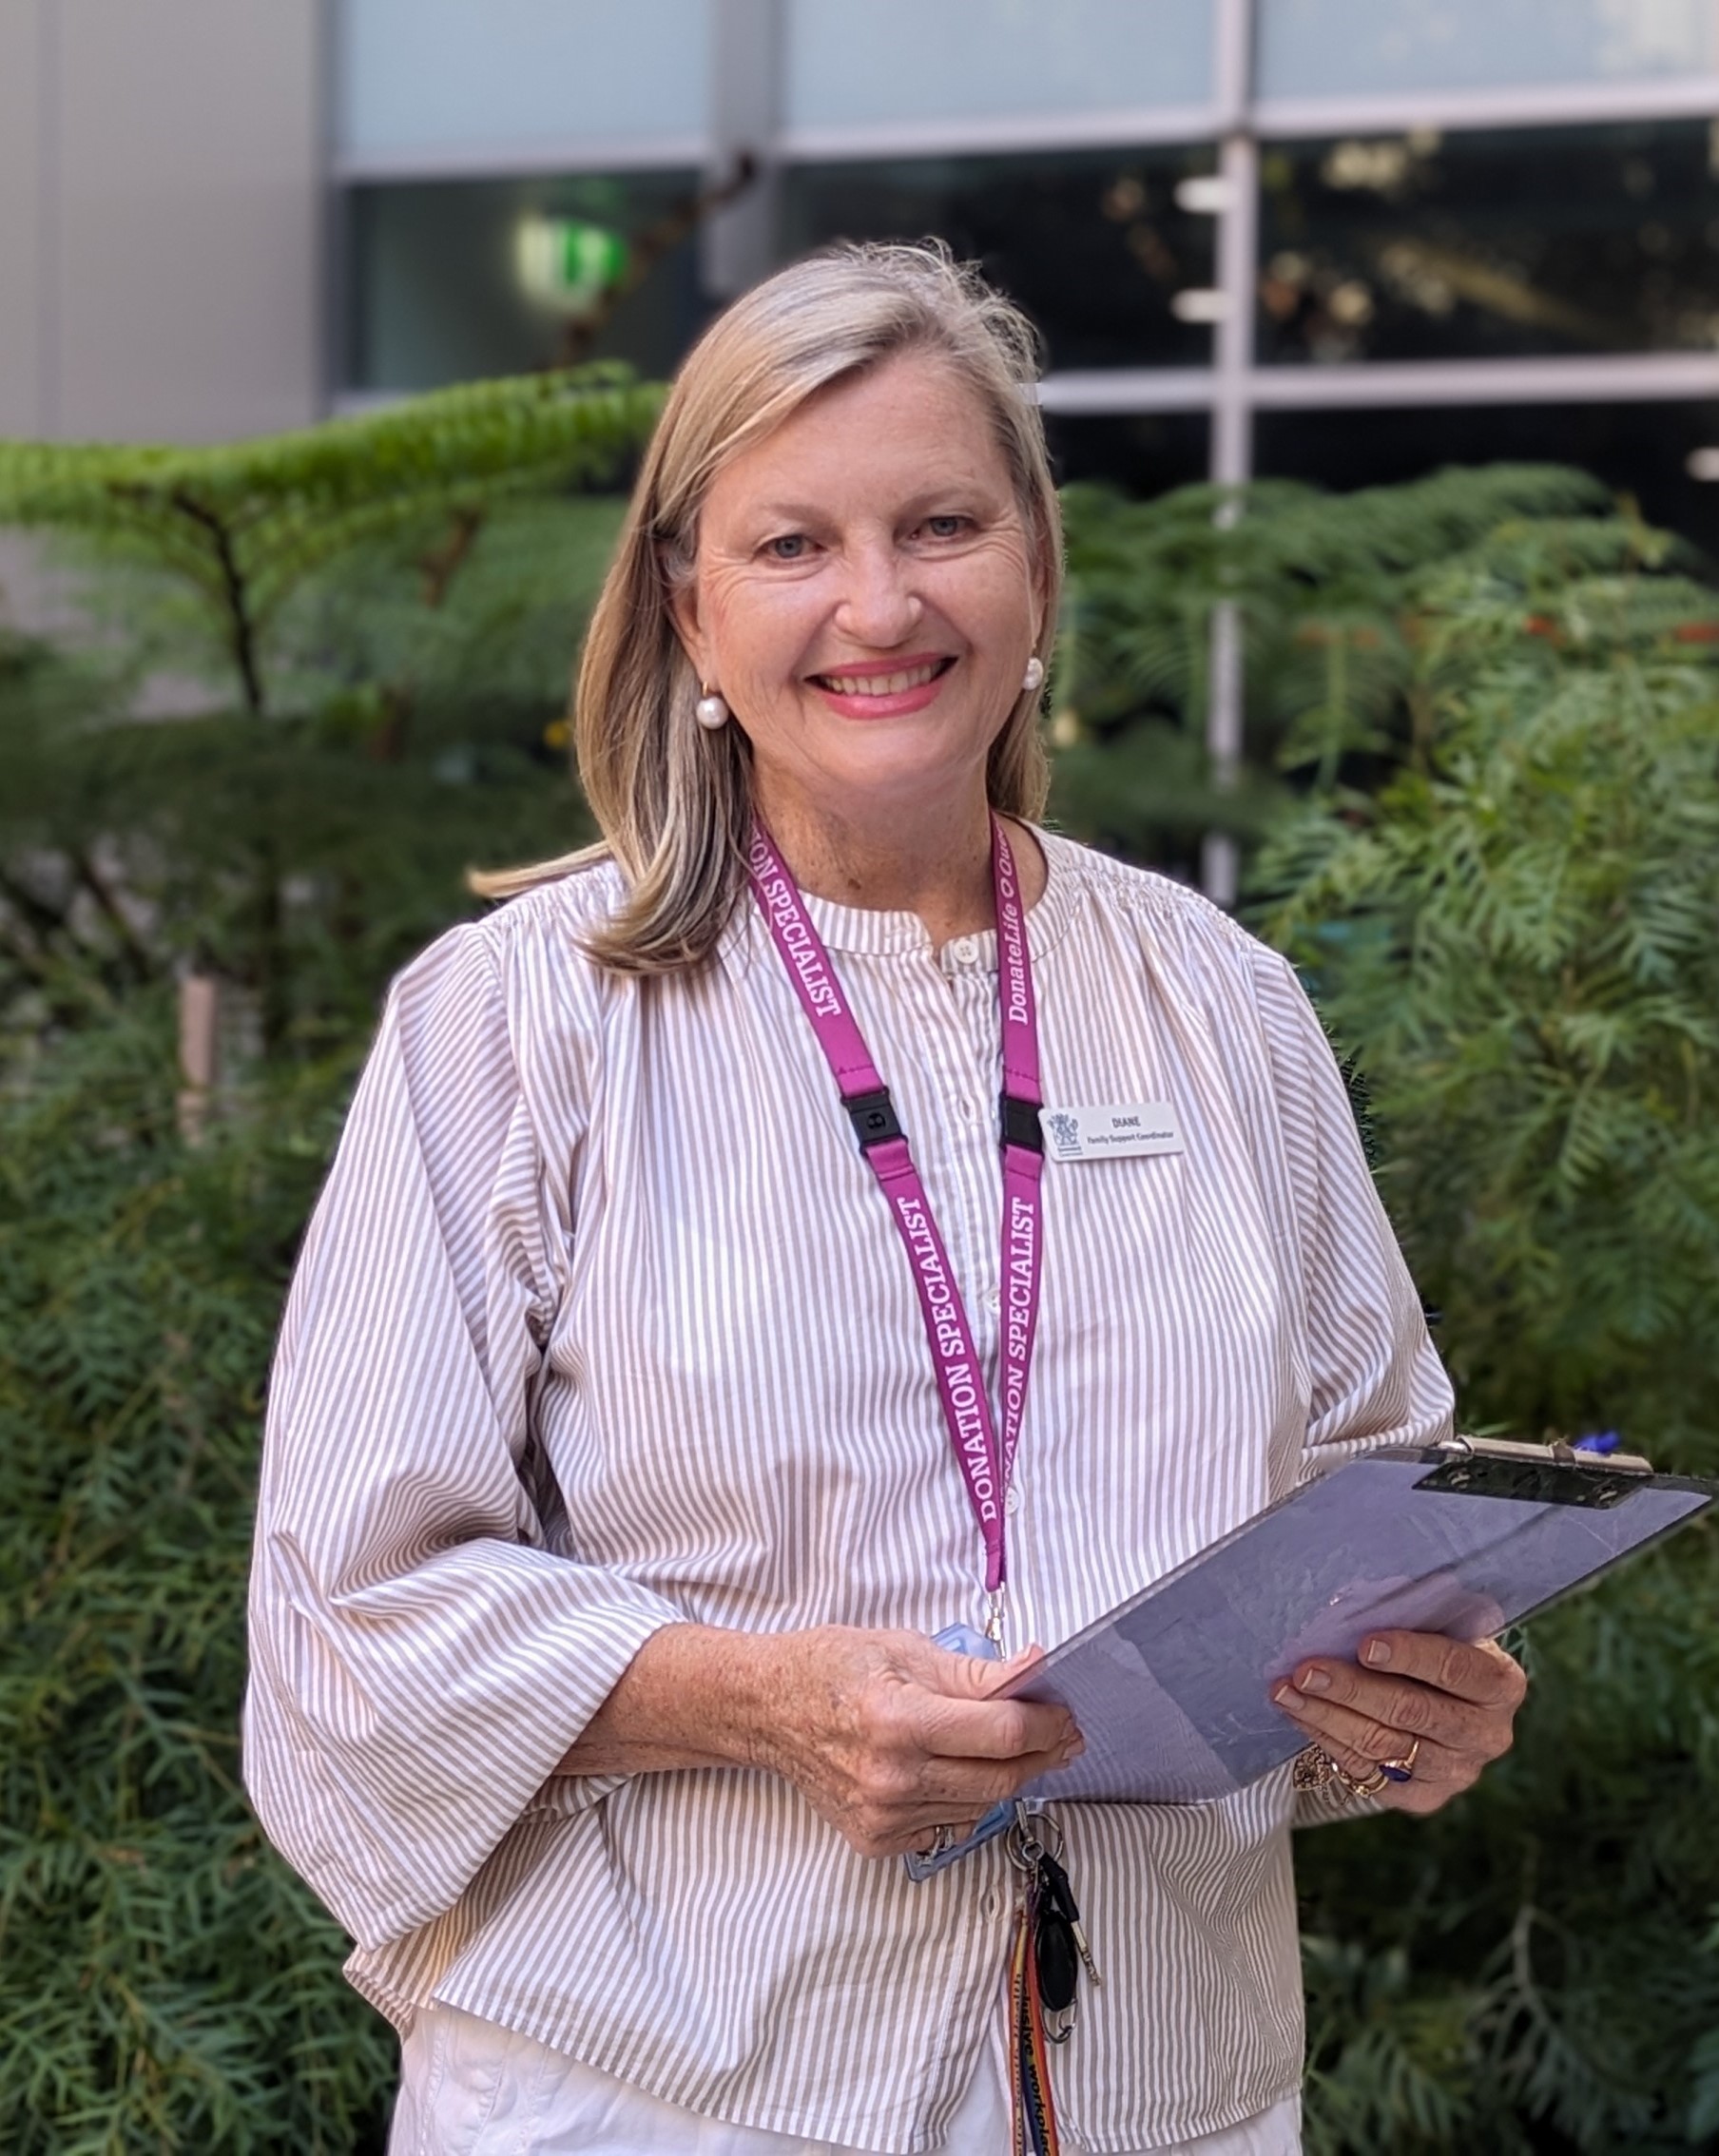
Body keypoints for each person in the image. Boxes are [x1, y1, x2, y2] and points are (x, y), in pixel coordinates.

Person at [243, 241, 1526, 2156]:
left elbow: (1369, 1502)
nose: (877, 604)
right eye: (790, 544)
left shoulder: (1217, 1002)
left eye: (940, 524)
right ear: (686, 607)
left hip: (1159, 2098)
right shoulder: (522, 1024)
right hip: (663, 2096)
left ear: (1032, 574)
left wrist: (1416, 1699)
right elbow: (351, 1622)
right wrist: (759, 1699)